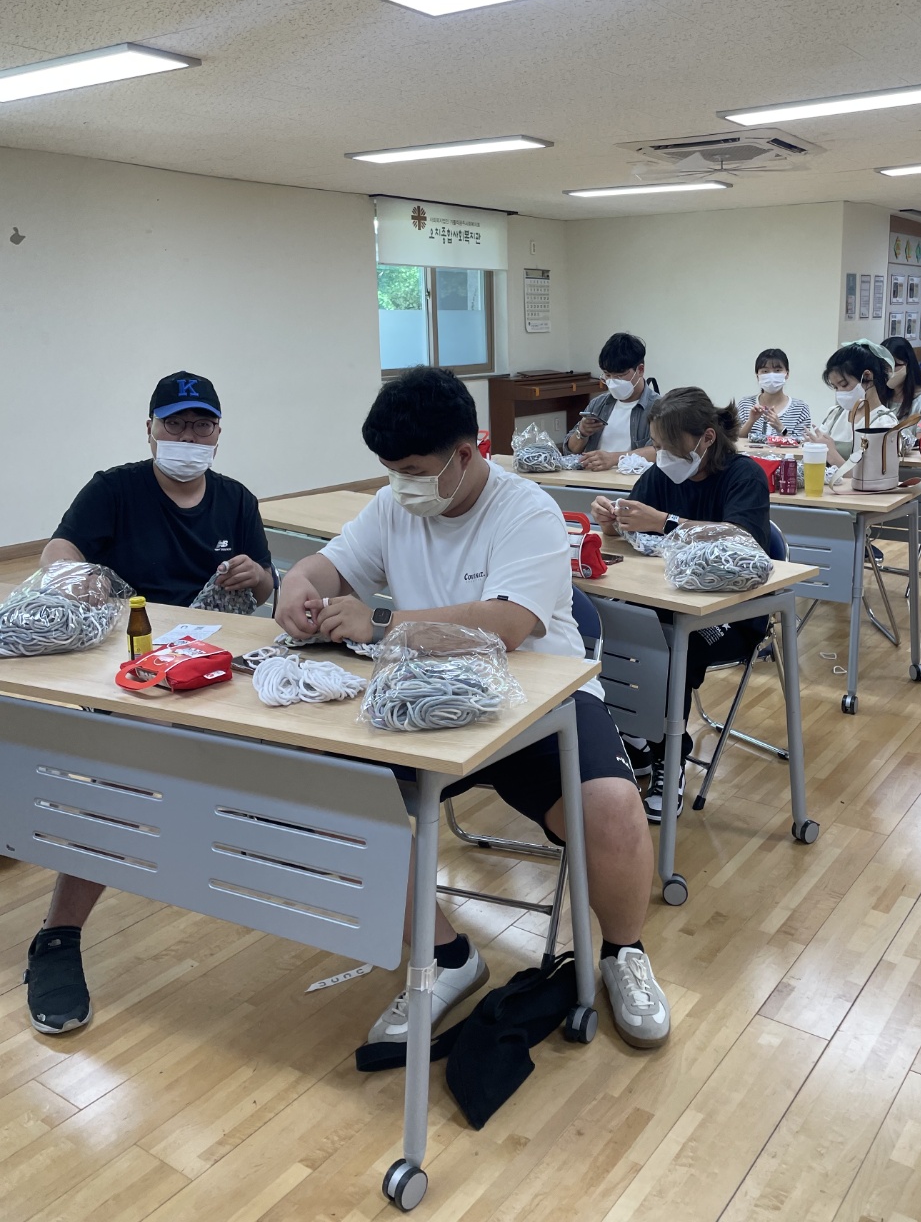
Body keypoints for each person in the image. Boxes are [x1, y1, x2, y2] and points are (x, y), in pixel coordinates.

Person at [276, 367, 670, 1050]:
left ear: (466, 453)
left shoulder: (527, 510)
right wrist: (297, 582)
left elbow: (508, 624)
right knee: (342, 797)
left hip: (538, 704)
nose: (399, 483)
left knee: (612, 806)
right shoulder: (394, 506)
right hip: (425, 701)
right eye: (390, 470)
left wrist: (380, 621)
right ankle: (448, 956)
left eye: (411, 470)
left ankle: (623, 953)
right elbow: (329, 565)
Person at [23, 371, 274, 1036]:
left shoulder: (236, 500)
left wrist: (257, 576)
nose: (189, 436)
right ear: (151, 429)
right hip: (134, 664)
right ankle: (58, 935)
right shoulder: (115, 489)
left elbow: (265, 589)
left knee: (293, 757)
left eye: (201, 425)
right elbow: (58, 551)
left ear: (217, 433)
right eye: (176, 423)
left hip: (214, 665)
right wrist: (77, 579)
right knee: (121, 786)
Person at [589, 387, 771, 820]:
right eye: (657, 446)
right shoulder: (660, 475)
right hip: (670, 603)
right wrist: (612, 522)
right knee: (608, 629)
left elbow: (743, 540)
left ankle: (668, 757)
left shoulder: (744, 476)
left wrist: (665, 522)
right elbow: (635, 526)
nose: (662, 456)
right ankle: (638, 737)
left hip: (733, 613)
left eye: (670, 447)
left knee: (669, 650)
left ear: (706, 438)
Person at [564, 332, 658, 471]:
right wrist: (581, 432)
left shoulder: (659, 408)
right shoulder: (598, 404)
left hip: (631, 481)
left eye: (620, 375)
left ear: (640, 370)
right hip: (591, 479)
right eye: (607, 375)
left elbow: (661, 452)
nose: (613, 382)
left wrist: (614, 458)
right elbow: (570, 451)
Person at [805, 340, 900, 467]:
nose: (840, 392)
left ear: (867, 377)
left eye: (844, 384)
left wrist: (832, 455)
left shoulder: (884, 423)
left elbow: (872, 475)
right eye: (835, 387)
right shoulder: (835, 414)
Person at [737, 348, 812, 443]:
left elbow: (802, 444)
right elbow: (735, 440)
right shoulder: (745, 404)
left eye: (777, 370)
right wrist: (750, 421)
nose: (771, 376)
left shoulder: (800, 408)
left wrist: (781, 429)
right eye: (765, 371)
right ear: (757, 376)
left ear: (787, 374)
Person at [883, 335, 921, 446]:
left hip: (909, 456)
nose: (887, 371)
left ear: (908, 365)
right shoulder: (879, 396)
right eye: (883, 366)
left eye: (893, 365)